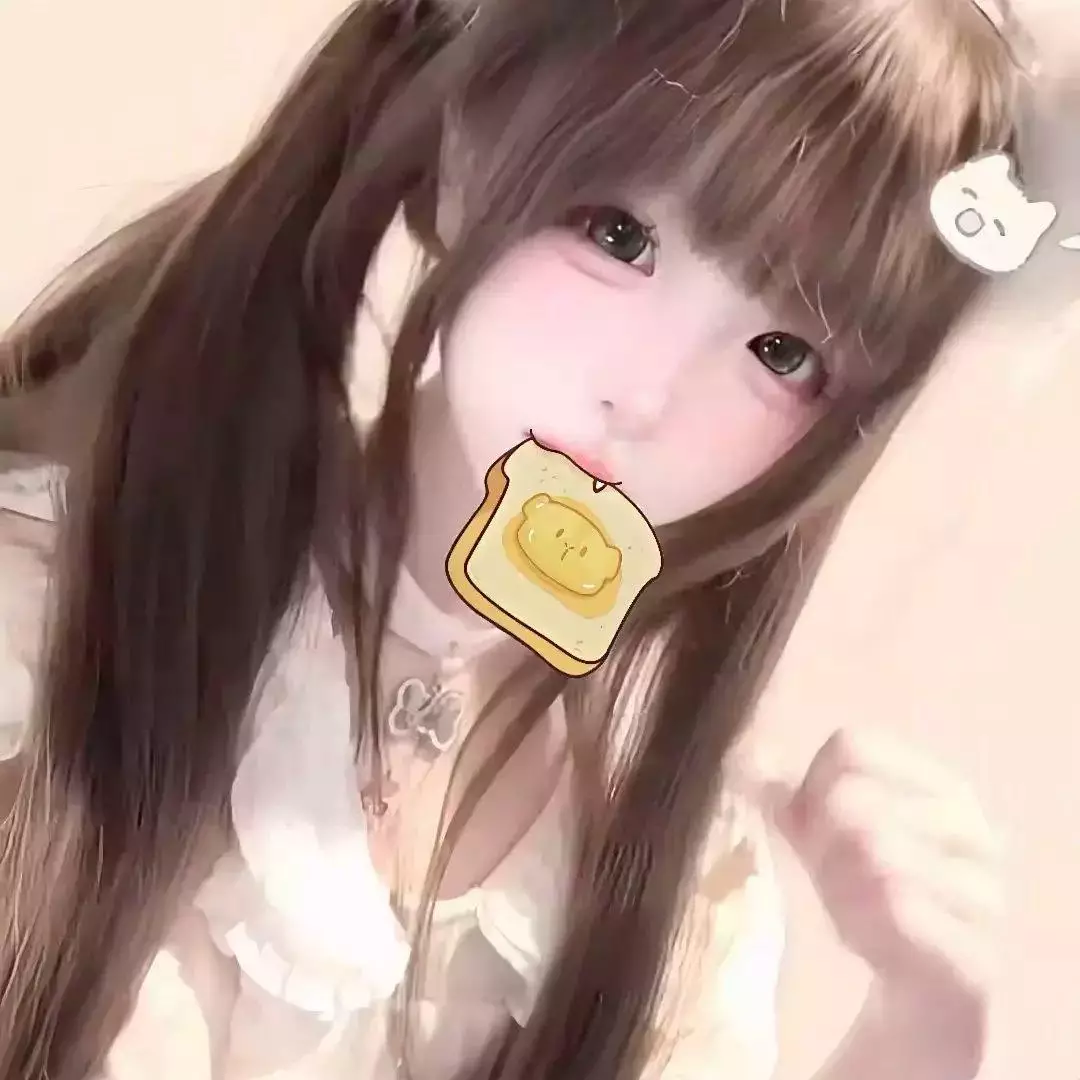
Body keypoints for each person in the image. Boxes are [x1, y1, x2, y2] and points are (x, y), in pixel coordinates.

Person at [0, 0, 1020, 1077]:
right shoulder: (62, 598)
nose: (649, 396)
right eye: (620, 237)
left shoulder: (666, 900)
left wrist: (919, 1024)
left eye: (781, 352)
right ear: (464, 153)